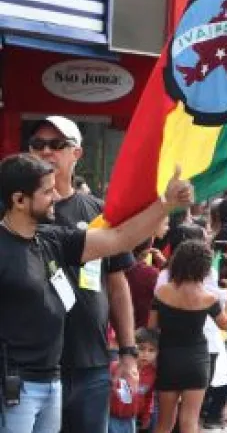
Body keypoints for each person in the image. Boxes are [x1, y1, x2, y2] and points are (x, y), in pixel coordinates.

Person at [0, 153, 192, 433]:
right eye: (47, 191)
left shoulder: (50, 239)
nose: (56, 196)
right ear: (19, 200)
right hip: (15, 388)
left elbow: (119, 239)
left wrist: (166, 205)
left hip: (52, 383)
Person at [28, 116, 138, 433]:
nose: (46, 151)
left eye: (57, 144)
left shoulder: (98, 212)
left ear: (77, 153)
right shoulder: (16, 209)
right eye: (38, 144)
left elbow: (118, 285)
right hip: (34, 367)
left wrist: (129, 353)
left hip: (91, 363)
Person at [149, 240, 227, 433]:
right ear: (204, 267)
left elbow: (152, 327)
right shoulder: (207, 297)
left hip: (168, 358)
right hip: (196, 360)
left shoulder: (162, 292)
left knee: (164, 423)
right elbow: (226, 323)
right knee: (189, 422)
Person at [108, 328, 158, 433]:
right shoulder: (117, 367)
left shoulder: (153, 374)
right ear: (134, 348)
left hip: (131, 418)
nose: (146, 354)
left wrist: (146, 416)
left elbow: (149, 396)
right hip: (110, 415)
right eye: (141, 348)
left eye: (151, 350)